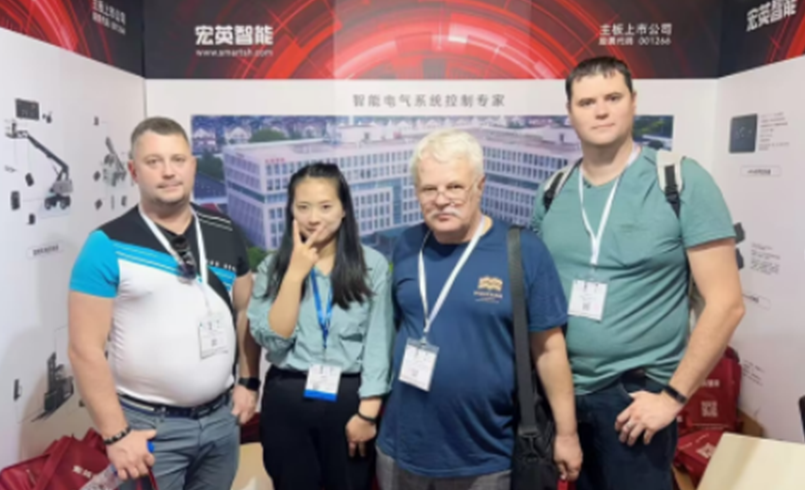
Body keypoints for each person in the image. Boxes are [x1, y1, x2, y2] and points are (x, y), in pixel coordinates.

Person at [531, 56, 746, 490]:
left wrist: (672, 397)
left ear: (633, 101)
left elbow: (727, 304)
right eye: (587, 102)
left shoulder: (680, 181)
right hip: (561, 396)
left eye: (612, 98)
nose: (601, 111)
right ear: (570, 112)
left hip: (634, 401)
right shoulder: (552, 191)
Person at [375, 128, 583, 490]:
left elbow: (549, 350)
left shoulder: (523, 251)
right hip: (401, 449)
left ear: (480, 186)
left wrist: (567, 434)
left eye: (455, 186)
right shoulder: (408, 245)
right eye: (429, 189)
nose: (441, 199)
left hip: (485, 455)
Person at [67, 116, 262, 490]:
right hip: (148, 429)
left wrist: (249, 381)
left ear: (193, 165)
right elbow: (84, 349)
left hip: (221, 421)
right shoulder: (106, 245)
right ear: (133, 171)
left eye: (178, 160)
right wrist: (115, 434)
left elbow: (245, 311)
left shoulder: (225, 231)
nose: (169, 172)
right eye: (153, 162)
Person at [247, 162, 395, 490]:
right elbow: (273, 341)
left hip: (349, 398)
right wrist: (294, 275)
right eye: (303, 207)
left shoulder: (371, 265)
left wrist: (368, 413)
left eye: (325, 207)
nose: (314, 218)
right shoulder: (273, 267)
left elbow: (379, 343)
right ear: (291, 210)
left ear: (344, 210)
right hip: (288, 397)